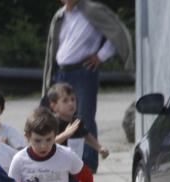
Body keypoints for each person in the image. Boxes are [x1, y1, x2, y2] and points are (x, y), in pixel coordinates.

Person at [42, 0, 132, 172]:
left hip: (83, 70)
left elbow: (117, 32)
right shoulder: (60, 15)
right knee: (55, 116)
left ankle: (88, 164)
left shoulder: (92, 10)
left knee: (84, 116)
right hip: (62, 71)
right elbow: (54, 46)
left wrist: (101, 56)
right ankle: (54, 158)